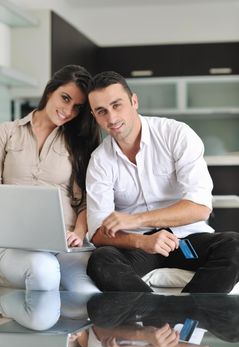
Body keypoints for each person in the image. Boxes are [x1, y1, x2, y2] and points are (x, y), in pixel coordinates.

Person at [86, 70, 239, 293]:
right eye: (102, 111)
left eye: (117, 105)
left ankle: (190, 313)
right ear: (95, 116)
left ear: (134, 101)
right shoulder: (100, 160)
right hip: (137, 247)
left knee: (235, 246)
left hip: (185, 239)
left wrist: (134, 219)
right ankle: (152, 318)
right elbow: (98, 233)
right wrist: (142, 242)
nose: (111, 118)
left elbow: (200, 207)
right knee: (101, 260)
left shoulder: (176, 134)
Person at [0, 65, 100, 292]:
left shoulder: (79, 143)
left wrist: (78, 233)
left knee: (86, 297)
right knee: (43, 271)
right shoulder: (7, 133)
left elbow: (85, 200)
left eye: (77, 107)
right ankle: (8, 307)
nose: (68, 110)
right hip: (14, 244)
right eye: (64, 98)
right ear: (50, 91)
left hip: (65, 245)